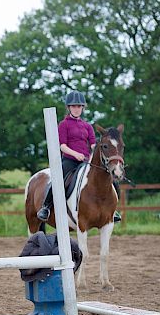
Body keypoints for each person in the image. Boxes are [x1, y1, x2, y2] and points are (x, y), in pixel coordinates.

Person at [36, 91, 121, 223]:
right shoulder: (64, 124)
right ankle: (46, 207)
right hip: (69, 161)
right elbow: (62, 146)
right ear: (69, 107)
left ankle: (112, 210)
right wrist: (75, 154)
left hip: (86, 162)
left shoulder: (87, 126)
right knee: (59, 181)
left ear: (82, 108)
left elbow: (93, 145)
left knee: (111, 179)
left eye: (79, 106)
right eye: (74, 106)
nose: (77, 109)